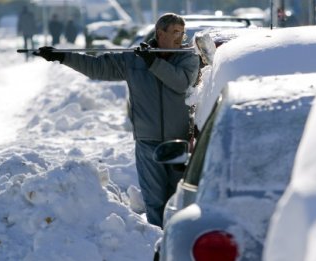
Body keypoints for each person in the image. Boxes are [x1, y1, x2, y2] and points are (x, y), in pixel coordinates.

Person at [33, 13, 200, 228]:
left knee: (178, 199)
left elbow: (180, 82)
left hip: (179, 144)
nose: (180, 38)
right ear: (160, 33)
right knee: (155, 201)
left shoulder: (188, 57)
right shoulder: (135, 59)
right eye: (175, 32)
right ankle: (159, 242)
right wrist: (63, 56)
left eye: (182, 33)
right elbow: (97, 67)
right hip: (147, 142)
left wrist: (154, 63)